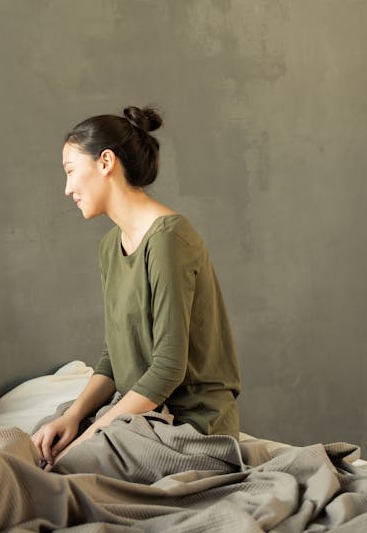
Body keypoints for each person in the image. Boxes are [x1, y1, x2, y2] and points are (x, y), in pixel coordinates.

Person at [32, 105, 242, 467]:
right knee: (41, 441)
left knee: (70, 468)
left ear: (105, 162)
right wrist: (73, 418)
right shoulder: (110, 247)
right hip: (142, 415)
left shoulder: (169, 239)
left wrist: (88, 440)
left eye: (70, 171)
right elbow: (114, 356)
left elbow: (167, 369)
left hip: (189, 427)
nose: (67, 189)